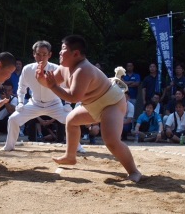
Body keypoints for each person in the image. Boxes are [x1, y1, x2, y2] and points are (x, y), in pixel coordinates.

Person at [35, 35, 141, 182]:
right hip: (92, 104)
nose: (59, 52)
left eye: (63, 49)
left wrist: (52, 85)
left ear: (76, 53)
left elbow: (73, 97)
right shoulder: (64, 69)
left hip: (111, 103)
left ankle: (134, 171)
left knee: (111, 140)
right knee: (71, 120)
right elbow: (51, 83)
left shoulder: (83, 70)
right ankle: (70, 156)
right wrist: (41, 79)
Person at [0, 40, 85, 153]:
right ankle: (9, 145)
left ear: (49, 55)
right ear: (34, 54)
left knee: (71, 120)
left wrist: (68, 104)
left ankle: (77, 146)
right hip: (34, 103)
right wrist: (20, 102)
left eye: (44, 54)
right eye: (38, 54)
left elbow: (66, 86)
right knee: (13, 119)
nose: (41, 57)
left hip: (55, 104)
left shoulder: (57, 69)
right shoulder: (27, 69)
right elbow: (21, 88)